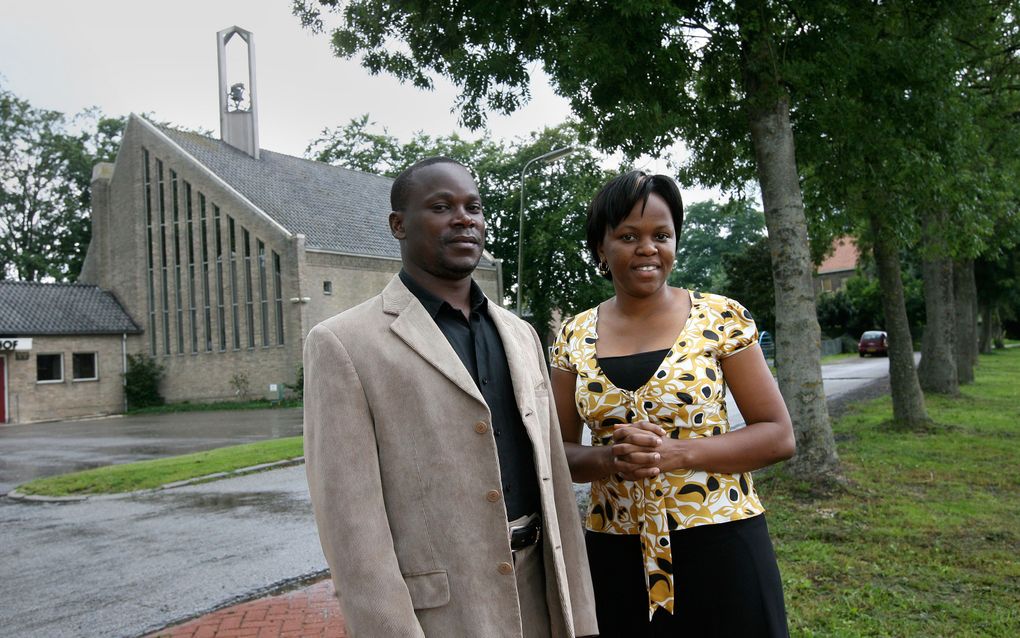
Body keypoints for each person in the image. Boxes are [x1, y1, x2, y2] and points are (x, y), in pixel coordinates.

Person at [303, 157, 598, 638]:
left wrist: (577, 605)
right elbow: (350, 524)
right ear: (398, 225)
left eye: (474, 207)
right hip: (445, 613)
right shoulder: (344, 343)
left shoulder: (520, 335)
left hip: (543, 588)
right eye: (442, 207)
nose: (464, 218)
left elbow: (555, 484)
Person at [549, 170, 796, 637]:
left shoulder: (721, 318)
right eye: (628, 236)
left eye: (661, 235)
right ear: (601, 248)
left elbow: (777, 435)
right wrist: (610, 458)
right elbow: (558, 453)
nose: (648, 248)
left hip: (721, 543)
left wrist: (678, 454)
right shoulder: (573, 335)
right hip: (615, 551)